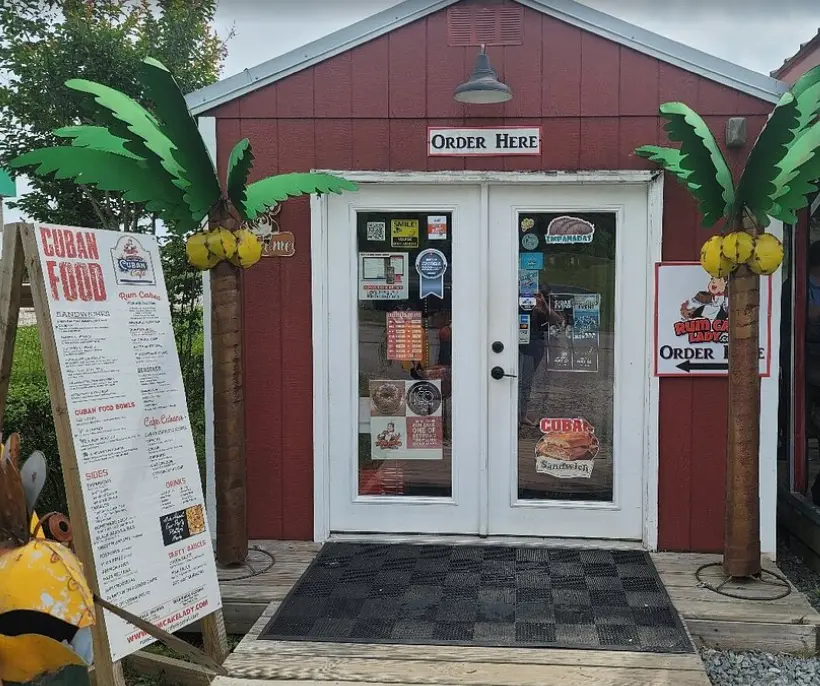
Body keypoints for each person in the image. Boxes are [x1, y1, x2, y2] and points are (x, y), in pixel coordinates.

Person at [519, 285, 563, 427]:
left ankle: (522, 414)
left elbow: (558, 320)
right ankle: (515, 414)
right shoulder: (517, 302)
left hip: (534, 345)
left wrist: (543, 305)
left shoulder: (542, 306)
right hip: (514, 343)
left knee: (526, 381)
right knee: (516, 381)